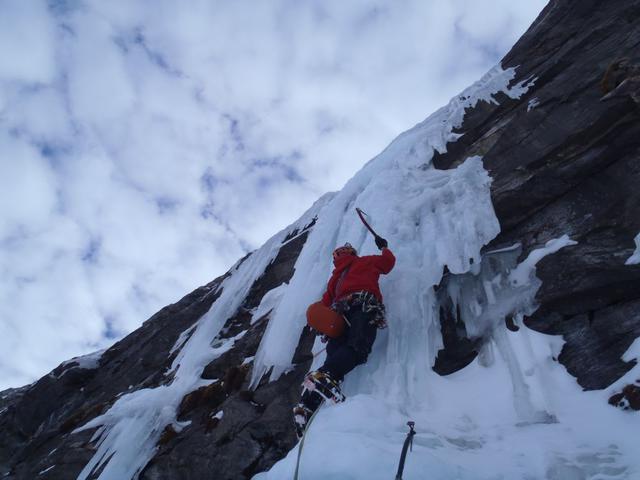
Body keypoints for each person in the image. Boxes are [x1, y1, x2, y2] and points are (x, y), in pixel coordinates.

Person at [294, 236, 395, 437]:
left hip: (339, 319)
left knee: (335, 362)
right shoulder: (364, 261)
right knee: (358, 350)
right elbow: (388, 263)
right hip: (362, 309)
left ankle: (307, 405)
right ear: (352, 253)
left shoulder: (335, 278)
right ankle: (321, 380)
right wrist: (384, 247)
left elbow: (324, 303)